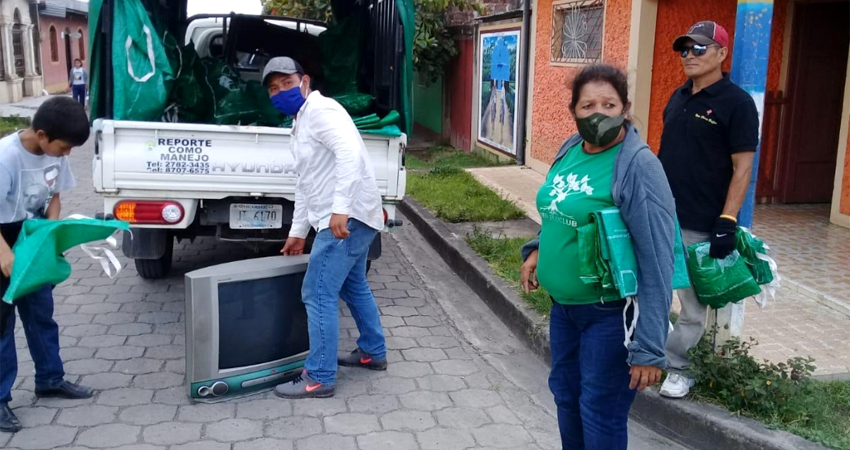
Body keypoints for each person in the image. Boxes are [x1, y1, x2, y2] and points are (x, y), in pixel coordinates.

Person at [520, 64, 677, 450]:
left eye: (609, 104)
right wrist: (537, 249)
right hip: (565, 309)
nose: (598, 113)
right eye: (588, 104)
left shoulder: (638, 166)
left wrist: (650, 347)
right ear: (573, 110)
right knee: (566, 396)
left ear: (625, 108)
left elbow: (658, 259)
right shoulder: (570, 148)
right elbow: (558, 208)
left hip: (610, 314)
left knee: (599, 407)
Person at [262, 57, 387, 399]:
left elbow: (349, 153)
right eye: (273, 88)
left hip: (348, 219)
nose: (281, 92)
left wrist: (340, 209)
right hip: (355, 217)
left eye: (287, 83)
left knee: (317, 293)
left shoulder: (320, 111)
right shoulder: (301, 122)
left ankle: (318, 377)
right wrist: (297, 231)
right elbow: (305, 182)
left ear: (305, 81)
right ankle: (373, 352)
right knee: (353, 285)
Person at [658, 21, 759, 399]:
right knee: (646, 291)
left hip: (700, 224)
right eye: (684, 49)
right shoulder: (679, 96)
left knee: (691, 307)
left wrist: (727, 220)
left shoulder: (737, 103)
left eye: (698, 48)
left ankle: (679, 368)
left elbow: (743, 167)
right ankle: (651, 352)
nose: (689, 56)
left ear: (721, 53)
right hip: (660, 216)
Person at [0, 96, 93, 433]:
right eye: (64, 148)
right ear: (41, 134)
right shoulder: (6, 157)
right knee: (2, 323)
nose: (67, 155)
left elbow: (54, 196)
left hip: (33, 233)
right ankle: (0, 400)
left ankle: (50, 379)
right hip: (2, 238)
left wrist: (50, 237)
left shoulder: (55, 154)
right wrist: (4, 254)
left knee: (41, 313)